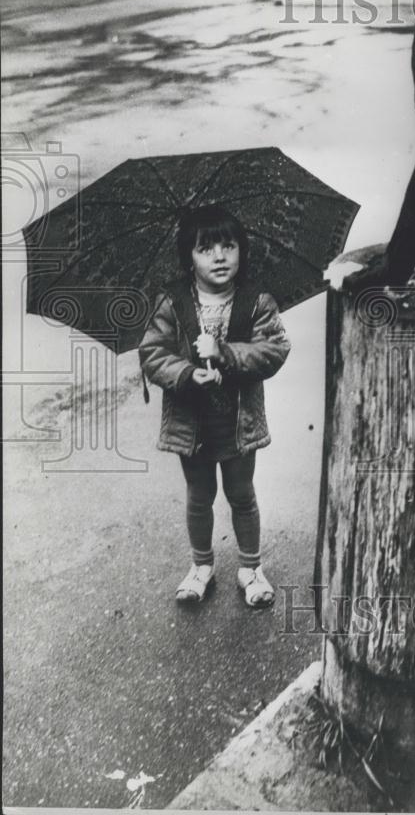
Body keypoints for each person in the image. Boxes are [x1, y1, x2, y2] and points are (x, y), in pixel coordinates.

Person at [139, 204, 291, 607]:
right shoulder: (173, 303)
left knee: (241, 493)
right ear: (188, 258)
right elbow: (152, 354)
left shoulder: (256, 301)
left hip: (238, 421)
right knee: (199, 494)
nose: (220, 256)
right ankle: (201, 565)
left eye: (229, 245)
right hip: (192, 422)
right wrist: (188, 374)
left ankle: (251, 567)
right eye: (206, 248)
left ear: (242, 250)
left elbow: (274, 349)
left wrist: (223, 352)